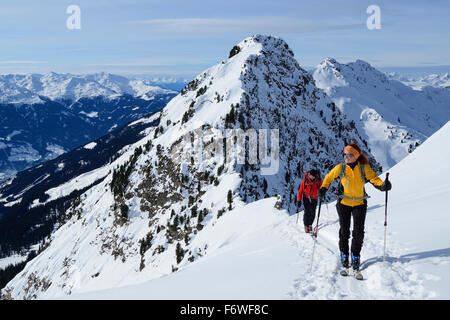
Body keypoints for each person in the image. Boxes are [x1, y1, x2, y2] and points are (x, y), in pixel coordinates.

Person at [318, 143, 391, 272]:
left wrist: (383, 186)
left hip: (359, 204)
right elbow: (329, 177)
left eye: (350, 154)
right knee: (344, 231)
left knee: (358, 232)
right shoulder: (340, 168)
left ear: (356, 156)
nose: (346, 157)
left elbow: (374, 178)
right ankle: (344, 254)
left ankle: (355, 255)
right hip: (343, 204)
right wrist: (324, 187)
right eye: (345, 154)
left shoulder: (363, 168)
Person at [297, 169, 322, 233]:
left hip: (314, 198)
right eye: (310, 175)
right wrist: (299, 200)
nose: (310, 176)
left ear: (315, 176)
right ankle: (306, 225)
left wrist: (322, 194)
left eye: (312, 176)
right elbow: (300, 190)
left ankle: (310, 224)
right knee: (307, 211)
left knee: (313, 212)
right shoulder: (305, 180)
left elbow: (321, 188)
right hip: (306, 197)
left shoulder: (318, 181)